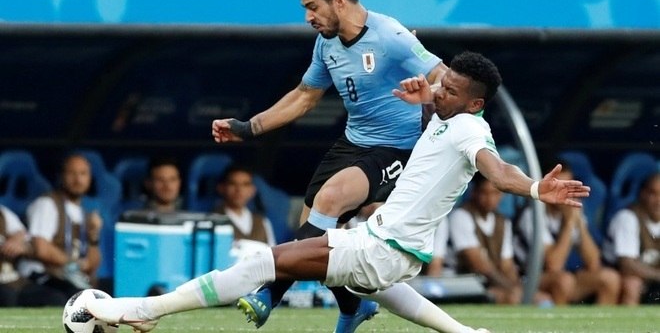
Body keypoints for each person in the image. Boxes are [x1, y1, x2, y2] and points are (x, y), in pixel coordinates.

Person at [87, 51, 589, 333]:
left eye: (450, 91)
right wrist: (424, 103)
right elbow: (436, 136)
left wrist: (534, 187)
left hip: (383, 247)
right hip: (391, 245)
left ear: (475, 102)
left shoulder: (471, 132)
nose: (440, 90)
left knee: (266, 263)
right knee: (376, 283)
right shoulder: (445, 115)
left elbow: (494, 170)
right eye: (443, 83)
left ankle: (144, 311)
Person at [211, 0, 447, 329]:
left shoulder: (391, 36)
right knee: (313, 235)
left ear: (339, 0)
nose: (308, 17)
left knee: (330, 199)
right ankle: (353, 308)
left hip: (397, 148)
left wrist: (431, 102)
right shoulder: (327, 44)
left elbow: (445, 77)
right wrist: (248, 128)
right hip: (352, 143)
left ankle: (269, 294)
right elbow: (305, 96)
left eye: (312, 7)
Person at [515, 159, 621, 305]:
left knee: (609, 278)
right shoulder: (532, 214)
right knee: (564, 280)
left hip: (562, 278)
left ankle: (598, 327)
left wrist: (579, 223)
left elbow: (593, 263)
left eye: (568, 185)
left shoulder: (569, 209)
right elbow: (553, 265)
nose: (565, 191)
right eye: (558, 186)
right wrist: (570, 222)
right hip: (528, 280)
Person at [18, 153, 103, 304]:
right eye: (72, 173)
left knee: (99, 296)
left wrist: (93, 235)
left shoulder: (85, 214)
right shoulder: (47, 204)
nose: (78, 179)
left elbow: (91, 266)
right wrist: (74, 266)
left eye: (83, 174)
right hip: (37, 277)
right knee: (71, 300)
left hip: (66, 278)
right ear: (61, 176)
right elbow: (41, 249)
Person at [449, 173, 523, 304]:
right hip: (464, 283)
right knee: (507, 297)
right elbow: (478, 265)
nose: (490, 199)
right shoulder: (461, 216)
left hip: (493, 283)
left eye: (495, 193)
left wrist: (517, 288)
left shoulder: (503, 222)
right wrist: (510, 289)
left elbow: (507, 265)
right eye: (485, 193)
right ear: (474, 193)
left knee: (535, 298)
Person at [602, 171, 660, 305]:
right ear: (643, 194)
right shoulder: (627, 218)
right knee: (632, 284)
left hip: (650, 277)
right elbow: (627, 265)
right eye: (653, 193)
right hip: (618, 274)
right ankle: (628, 325)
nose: (658, 201)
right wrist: (658, 276)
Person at [213, 165, 276, 246]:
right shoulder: (213, 221)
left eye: (245, 184)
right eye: (233, 184)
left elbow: (272, 254)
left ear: (252, 190)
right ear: (221, 188)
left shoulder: (263, 222)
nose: (239, 190)